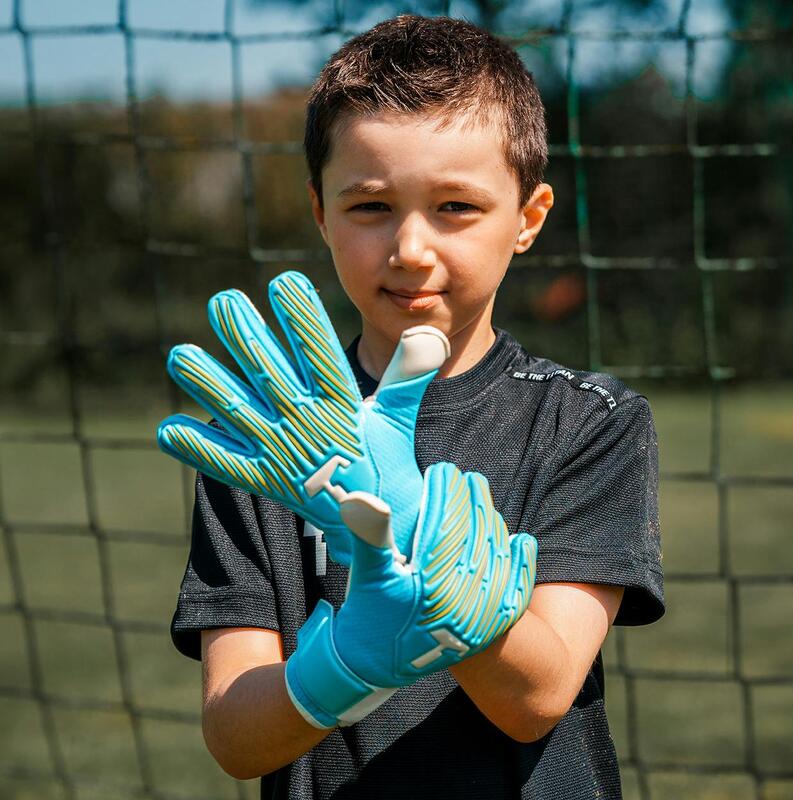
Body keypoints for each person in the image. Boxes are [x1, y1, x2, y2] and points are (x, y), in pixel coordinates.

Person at [167, 14, 665, 799]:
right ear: (320, 212)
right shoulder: (267, 445)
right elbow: (235, 739)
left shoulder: (592, 423)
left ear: (528, 218)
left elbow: (535, 701)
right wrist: (341, 669)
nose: (409, 248)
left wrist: (430, 576)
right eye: (370, 206)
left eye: (456, 207)